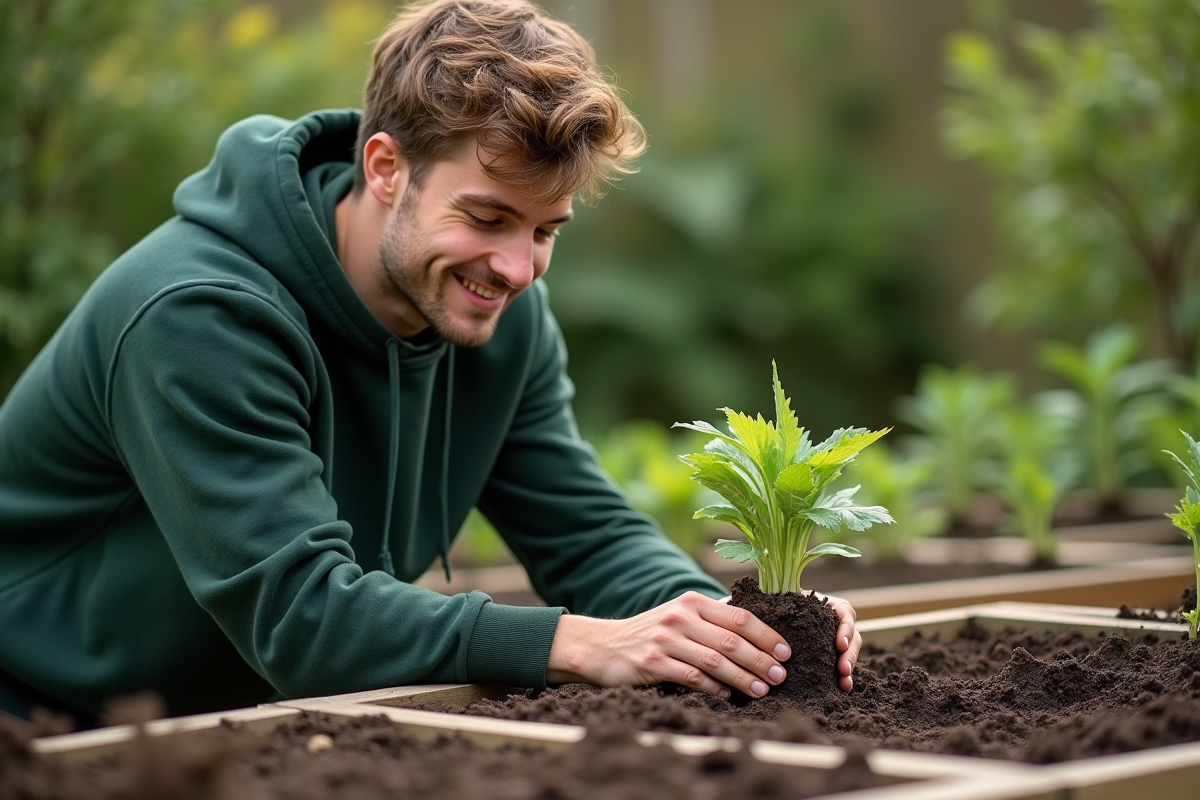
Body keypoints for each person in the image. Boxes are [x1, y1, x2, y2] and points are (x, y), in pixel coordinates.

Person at [0, 0, 860, 725]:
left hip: (226, 721)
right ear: (384, 167)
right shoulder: (196, 316)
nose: (518, 268)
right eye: (487, 219)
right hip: (41, 726)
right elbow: (304, 621)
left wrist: (737, 630)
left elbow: (584, 532)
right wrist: (577, 643)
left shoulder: (489, 312)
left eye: (545, 230)